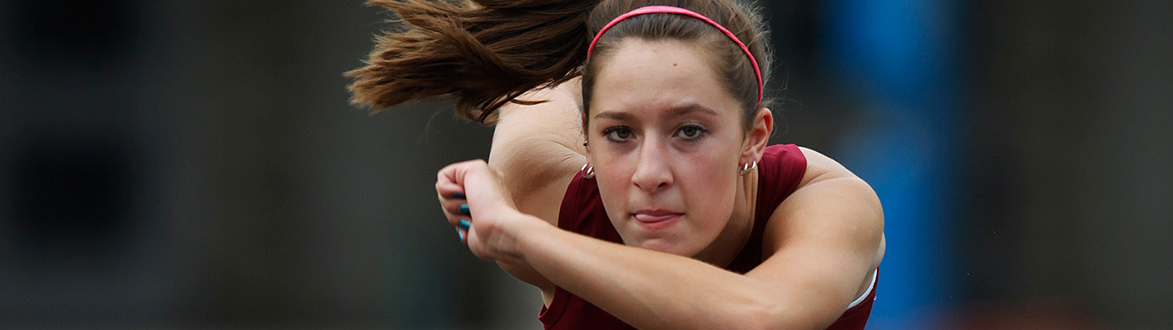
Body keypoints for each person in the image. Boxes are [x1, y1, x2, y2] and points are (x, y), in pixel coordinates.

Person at [346, 0, 884, 329]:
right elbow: (531, 95)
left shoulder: (826, 202)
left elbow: (759, 315)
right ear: (583, 137)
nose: (650, 173)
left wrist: (518, 236)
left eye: (689, 131)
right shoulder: (540, 186)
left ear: (754, 138)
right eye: (619, 133)